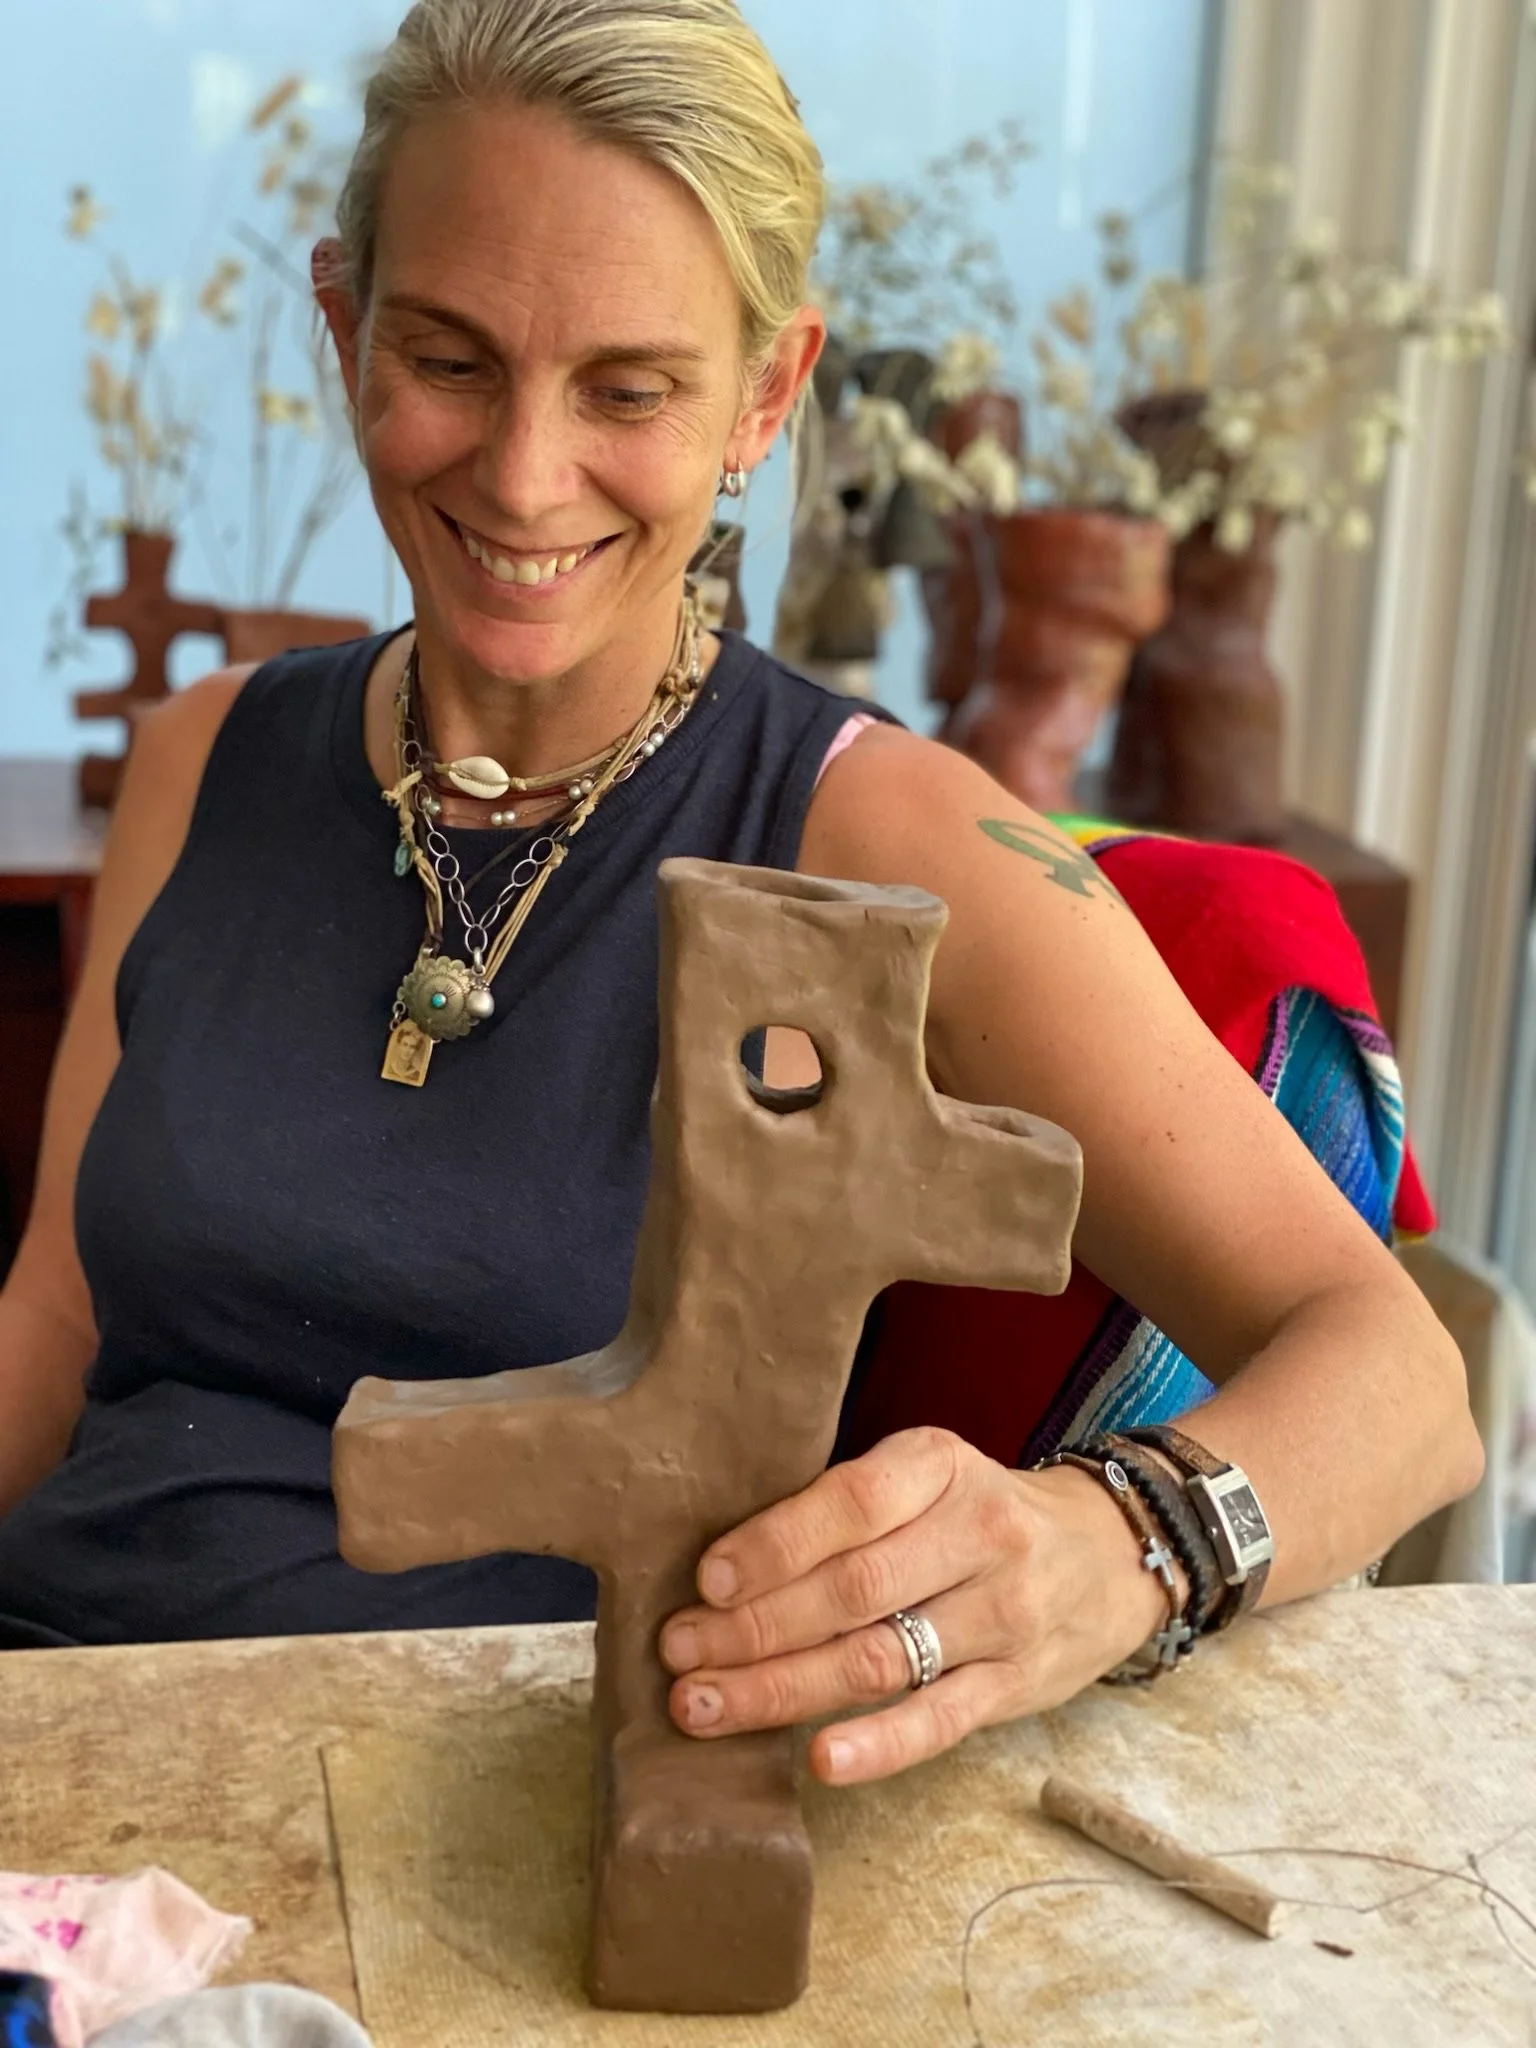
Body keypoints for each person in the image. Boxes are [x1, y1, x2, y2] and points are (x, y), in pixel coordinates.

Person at [0, 0, 1480, 1788]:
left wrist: (1115, 1550)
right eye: (451, 360)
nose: (526, 473)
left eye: (629, 390)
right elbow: (61, 1333)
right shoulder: (199, 760)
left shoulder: (888, 845)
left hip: (507, 1842)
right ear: (345, 326)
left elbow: (1398, 1379)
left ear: (769, 395)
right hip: (62, 1750)